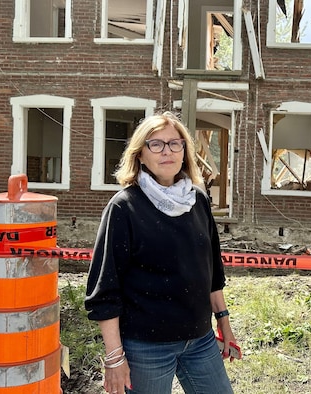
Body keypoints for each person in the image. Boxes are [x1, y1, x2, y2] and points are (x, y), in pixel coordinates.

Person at [85, 111, 237, 394]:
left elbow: (213, 273)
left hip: (200, 340)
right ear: (140, 154)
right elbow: (105, 291)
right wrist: (114, 357)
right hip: (146, 348)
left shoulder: (198, 201)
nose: (166, 151)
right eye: (156, 144)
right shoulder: (124, 207)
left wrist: (224, 324)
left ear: (184, 152)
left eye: (174, 143)